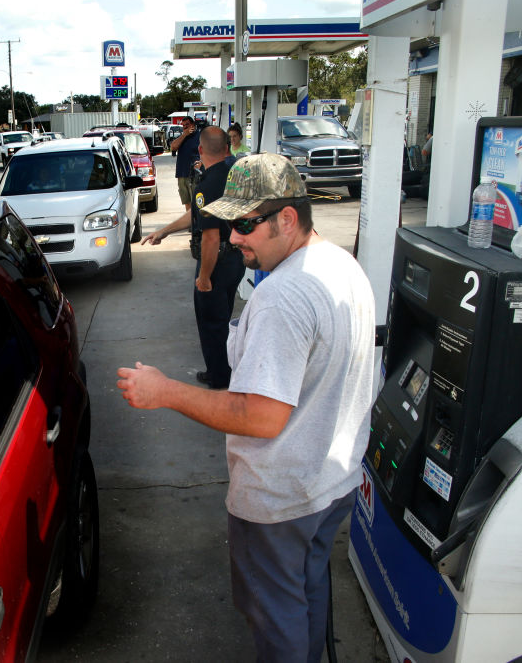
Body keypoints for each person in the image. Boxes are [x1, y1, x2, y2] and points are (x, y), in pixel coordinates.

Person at [117, 152, 375, 663]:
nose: (234, 238)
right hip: (330, 483)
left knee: (276, 619)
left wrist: (165, 391)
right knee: (306, 593)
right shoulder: (337, 263)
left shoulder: (286, 295)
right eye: (229, 223)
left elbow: (261, 417)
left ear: (287, 218)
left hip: (282, 497)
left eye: (245, 224)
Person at [141, 126, 245, 389]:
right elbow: (196, 216)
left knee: (212, 324)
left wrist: (204, 277)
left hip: (216, 263)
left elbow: (210, 237)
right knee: (222, 319)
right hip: (236, 261)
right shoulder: (234, 176)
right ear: (227, 148)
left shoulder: (206, 185)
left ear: (200, 150)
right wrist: (164, 231)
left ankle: (220, 378)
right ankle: (223, 370)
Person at [169, 116, 201, 212]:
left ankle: (197, 224)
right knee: (186, 201)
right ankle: (189, 223)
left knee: (196, 201)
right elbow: (173, 147)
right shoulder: (182, 137)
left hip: (194, 174)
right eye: (183, 125)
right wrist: (184, 135)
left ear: (193, 125)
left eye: (187, 124)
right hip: (182, 173)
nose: (185, 127)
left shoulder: (199, 136)